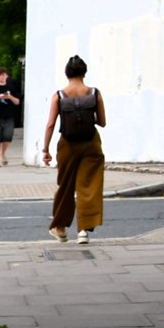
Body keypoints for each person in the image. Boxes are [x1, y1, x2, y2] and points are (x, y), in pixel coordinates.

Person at [41, 54, 107, 243]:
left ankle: (60, 228)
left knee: (66, 186)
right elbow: (102, 122)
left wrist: (45, 149)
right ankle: (84, 230)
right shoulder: (94, 93)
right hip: (91, 143)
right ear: (84, 72)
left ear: (67, 73)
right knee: (89, 185)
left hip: (67, 145)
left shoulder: (59, 95)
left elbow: (51, 124)